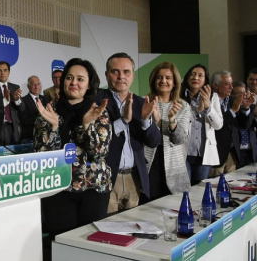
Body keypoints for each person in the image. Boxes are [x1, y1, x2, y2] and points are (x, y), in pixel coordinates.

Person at [33, 58, 111, 261]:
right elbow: (42, 155)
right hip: (58, 191)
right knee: (60, 245)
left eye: (80, 78)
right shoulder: (48, 113)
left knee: (91, 247)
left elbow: (99, 152)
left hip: (93, 190)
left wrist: (86, 125)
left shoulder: (98, 112)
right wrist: (53, 128)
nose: (74, 82)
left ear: (89, 83)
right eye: (69, 77)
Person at [95, 52, 159, 214]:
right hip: (107, 177)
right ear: (106, 75)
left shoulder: (141, 102)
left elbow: (153, 141)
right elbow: (95, 139)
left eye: (126, 72)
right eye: (115, 71)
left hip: (134, 178)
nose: (120, 76)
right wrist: (123, 120)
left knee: (132, 228)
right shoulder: (96, 101)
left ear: (133, 76)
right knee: (108, 230)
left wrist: (146, 120)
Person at [141, 62, 191, 203]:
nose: (163, 81)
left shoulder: (183, 106)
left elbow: (180, 139)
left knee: (173, 210)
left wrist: (170, 120)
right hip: (148, 165)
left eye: (168, 78)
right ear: (153, 81)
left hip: (174, 167)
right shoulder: (144, 102)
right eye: (159, 77)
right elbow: (141, 134)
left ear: (174, 82)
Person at [180, 64, 223, 185]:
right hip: (184, 153)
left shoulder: (213, 97)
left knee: (200, 189)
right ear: (187, 78)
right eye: (192, 74)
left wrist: (208, 107)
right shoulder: (179, 96)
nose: (196, 78)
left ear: (205, 80)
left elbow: (218, 125)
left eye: (200, 75)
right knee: (183, 190)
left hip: (204, 154)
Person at [209, 70, 240, 177]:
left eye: (232, 83)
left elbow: (242, 124)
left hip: (232, 153)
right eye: (227, 84)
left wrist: (245, 109)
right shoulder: (209, 101)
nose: (232, 87)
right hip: (216, 154)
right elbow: (217, 125)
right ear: (215, 85)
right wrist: (232, 111)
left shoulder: (234, 101)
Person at [230, 82, 257, 168]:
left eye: (245, 92)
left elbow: (250, 125)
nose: (244, 95)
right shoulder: (230, 109)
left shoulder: (252, 108)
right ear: (232, 95)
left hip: (251, 150)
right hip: (236, 151)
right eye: (240, 93)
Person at [18, 75, 46, 144]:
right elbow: (24, 120)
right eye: (34, 85)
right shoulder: (23, 101)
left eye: (38, 84)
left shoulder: (46, 99)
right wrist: (40, 114)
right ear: (28, 86)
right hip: (30, 138)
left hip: (45, 137)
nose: (36, 87)